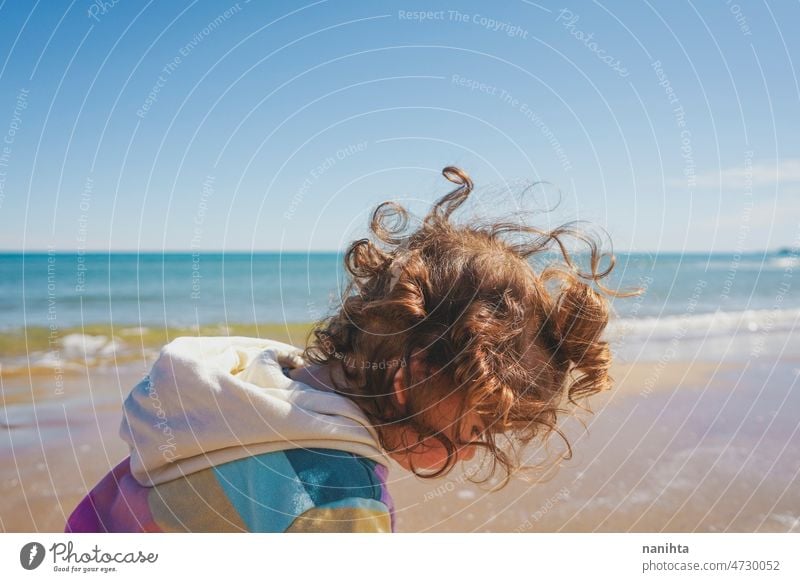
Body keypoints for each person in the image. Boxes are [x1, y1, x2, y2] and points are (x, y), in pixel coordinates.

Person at [65, 166, 630, 533]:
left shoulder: (225, 400)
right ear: (412, 378)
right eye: (477, 428)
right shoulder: (336, 497)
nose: (473, 451)